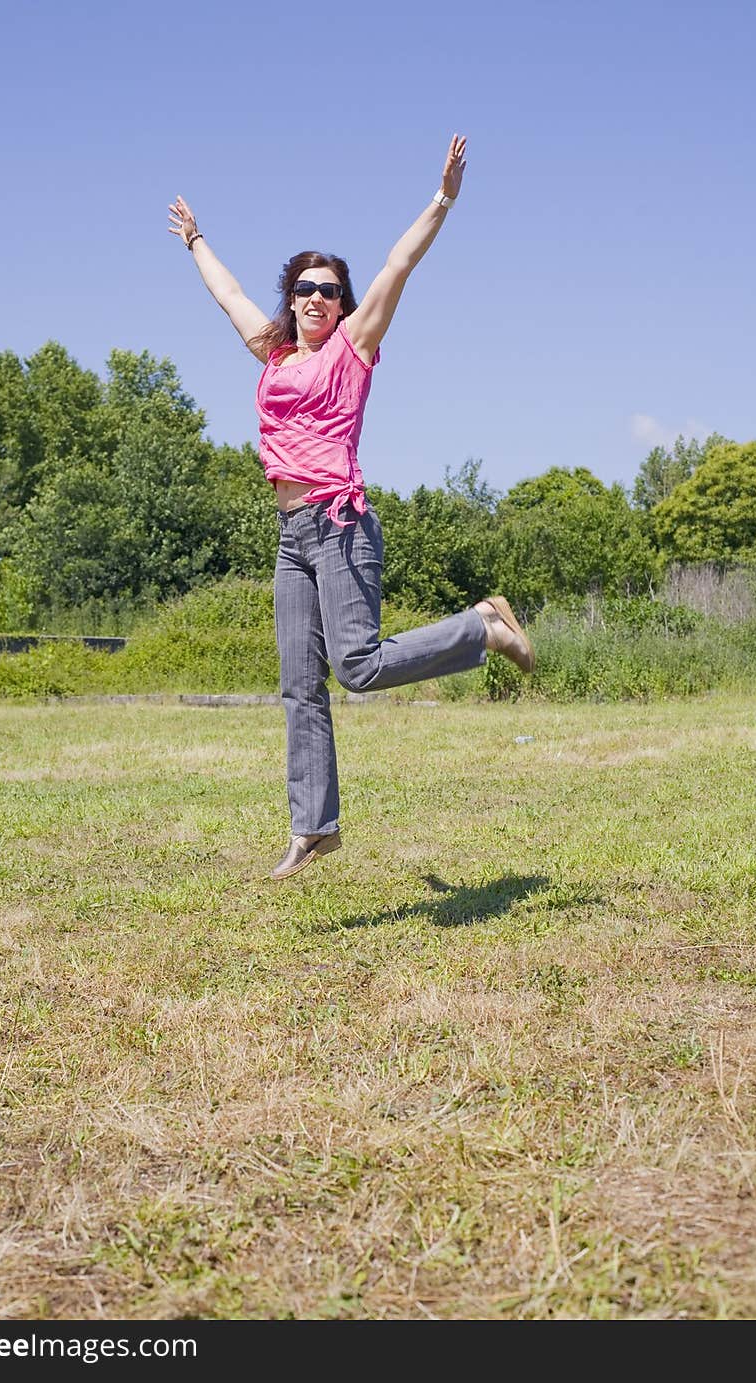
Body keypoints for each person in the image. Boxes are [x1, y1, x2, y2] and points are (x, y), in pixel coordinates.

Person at [169, 134, 534, 881]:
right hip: (289, 534)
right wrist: (198, 241)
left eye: (330, 289)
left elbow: (399, 263)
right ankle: (315, 828)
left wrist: (442, 200)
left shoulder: (354, 348)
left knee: (357, 666)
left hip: (339, 525)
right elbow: (229, 295)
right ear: (292, 298)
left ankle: (483, 626)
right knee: (299, 683)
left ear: (343, 304)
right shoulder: (273, 354)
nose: (316, 298)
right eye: (305, 287)